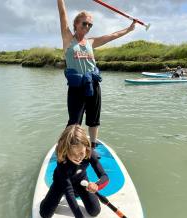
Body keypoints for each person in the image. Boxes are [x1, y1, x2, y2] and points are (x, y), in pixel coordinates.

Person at [57, 0, 136, 149]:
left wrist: (130, 29)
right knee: (74, 121)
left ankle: (92, 147)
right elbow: (62, 14)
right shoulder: (68, 39)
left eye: (90, 25)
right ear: (76, 24)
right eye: (84, 23)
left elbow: (113, 35)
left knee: (94, 119)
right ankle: (68, 148)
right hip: (77, 88)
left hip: (93, 86)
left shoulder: (91, 42)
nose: (87, 27)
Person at [39, 125, 109, 218]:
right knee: (45, 214)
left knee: (95, 211)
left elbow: (105, 177)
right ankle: (50, 198)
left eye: (81, 153)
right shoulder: (62, 162)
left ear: (86, 147)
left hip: (81, 182)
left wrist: (97, 185)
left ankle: (77, 191)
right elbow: (69, 193)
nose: (78, 157)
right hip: (61, 183)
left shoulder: (90, 154)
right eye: (73, 154)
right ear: (66, 151)